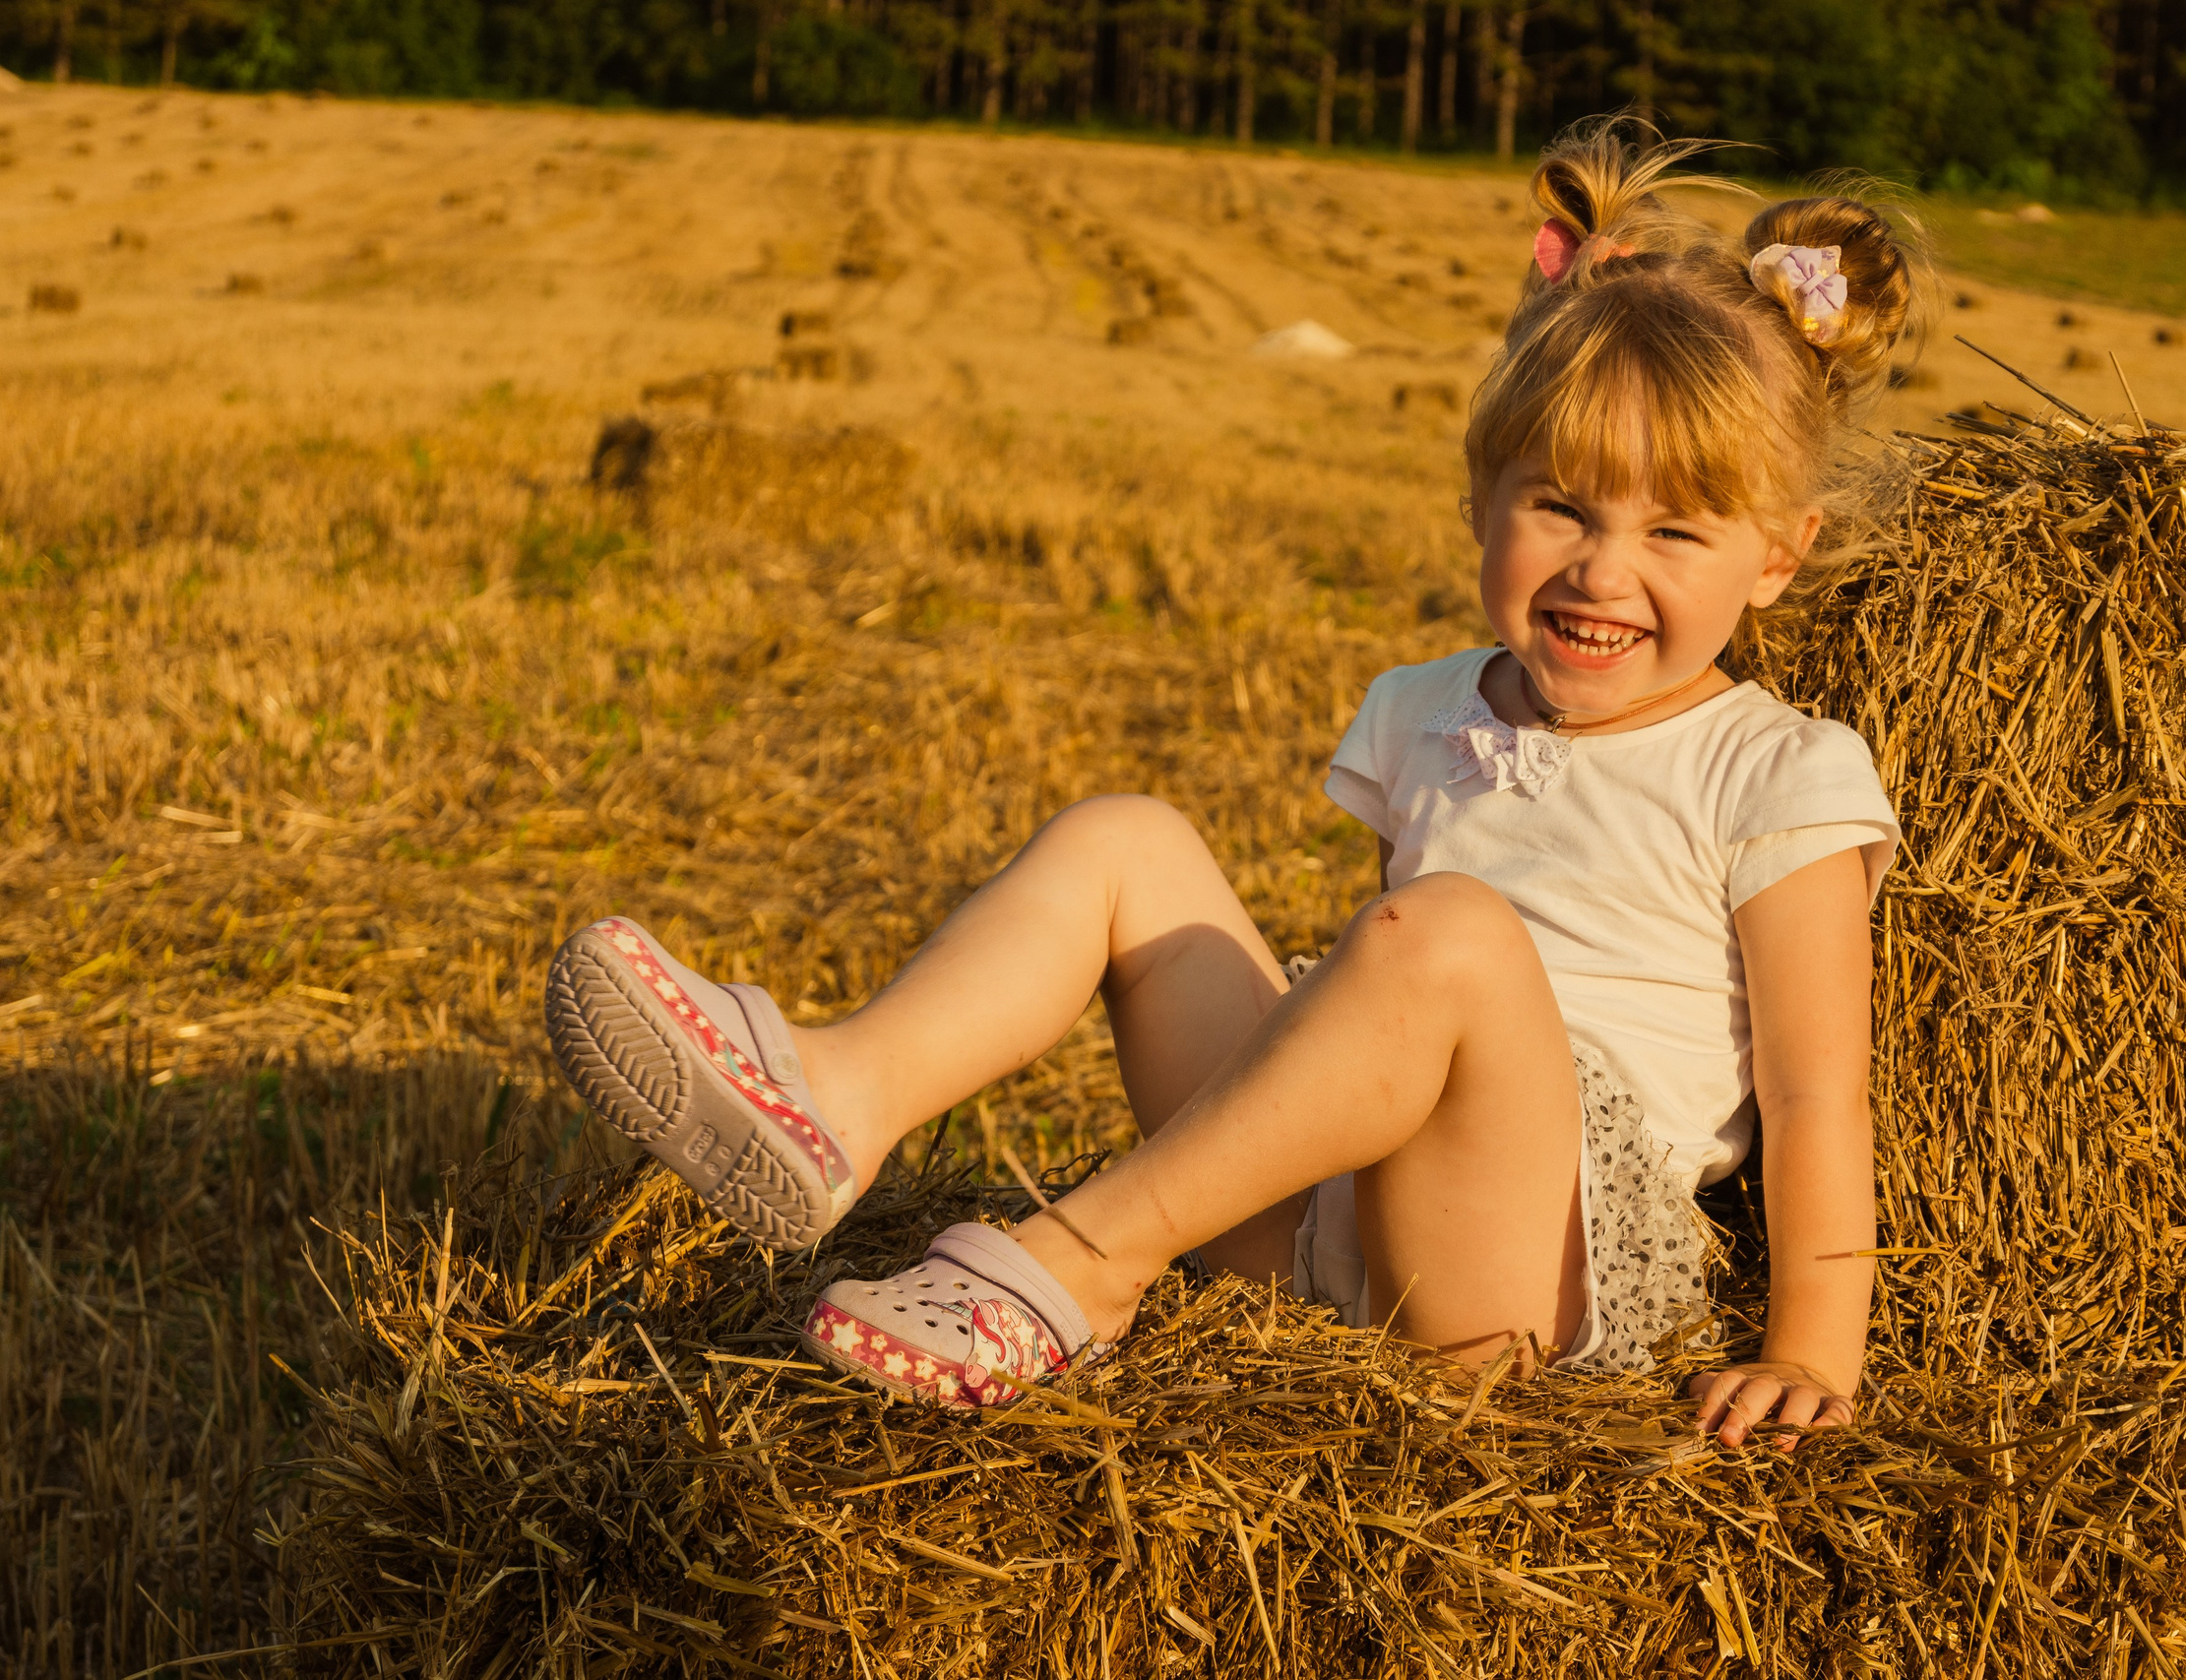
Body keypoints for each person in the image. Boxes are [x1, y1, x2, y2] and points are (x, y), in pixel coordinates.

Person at [541, 120, 1911, 1449]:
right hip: (1321, 1232)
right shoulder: (1427, 705)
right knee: (1126, 842)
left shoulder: (1777, 768)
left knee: (1443, 934)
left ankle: (1083, 1257)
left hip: (1527, 1284)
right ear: (1479, 499)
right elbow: (1365, 1043)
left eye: (1675, 530)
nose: (1603, 572)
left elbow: (1811, 1101)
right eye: (1560, 506)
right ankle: (839, 1098)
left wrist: (1811, 1351)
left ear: (1778, 558)